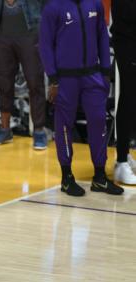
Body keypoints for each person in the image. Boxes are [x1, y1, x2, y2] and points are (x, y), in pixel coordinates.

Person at [39, 0, 123, 196]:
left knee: (99, 121)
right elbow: (45, 45)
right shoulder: (53, 8)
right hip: (65, 78)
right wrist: (53, 79)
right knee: (64, 125)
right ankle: (67, 177)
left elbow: (103, 35)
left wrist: (105, 71)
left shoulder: (95, 3)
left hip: (92, 75)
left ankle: (100, 177)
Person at [0, 0, 48, 150]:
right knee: (3, 83)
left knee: (35, 82)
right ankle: (5, 129)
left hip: (30, 32)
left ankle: (39, 130)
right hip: (3, 33)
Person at [111, 0, 136, 185]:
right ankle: (121, 161)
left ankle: (124, 155)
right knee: (129, 97)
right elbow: (126, 11)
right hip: (128, 43)